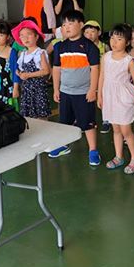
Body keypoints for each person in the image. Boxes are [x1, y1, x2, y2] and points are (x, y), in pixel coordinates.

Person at [48, 10, 101, 165]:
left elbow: (95, 69)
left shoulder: (89, 47)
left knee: (88, 123)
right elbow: (56, 69)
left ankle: (93, 150)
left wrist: (92, 90)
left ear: (81, 25)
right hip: (65, 92)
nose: (67, 27)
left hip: (84, 92)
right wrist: (56, 89)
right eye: (64, 24)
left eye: (71, 23)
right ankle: (64, 145)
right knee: (65, 121)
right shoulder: (60, 47)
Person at [98, 24, 134, 174]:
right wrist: (99, 95)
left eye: (119, 39)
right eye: (112, 38)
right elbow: (102, 76)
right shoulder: (106, 57)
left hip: (123, 97)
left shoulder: (129, 61)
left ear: (127, 42)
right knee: (116, 129)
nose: (114, 42)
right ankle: (119, 157)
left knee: (126, 130)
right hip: (109, 96)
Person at [13, 19, 51, 120]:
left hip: (38, 90)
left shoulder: (40, 53)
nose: (25, 38)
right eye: (22, 35)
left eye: (29, 34)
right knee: (28, 117)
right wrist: (19, 73)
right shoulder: (23, 54)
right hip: (26, 90)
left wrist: (28, 75)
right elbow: (21, 70)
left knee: (41, 117)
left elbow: (46, 71)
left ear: (36, 36)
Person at [83, 20, 111, 134]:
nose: (89, 35)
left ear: (99, 33)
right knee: (88, 100)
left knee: (103, 98)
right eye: (86, 32)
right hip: (88, 78)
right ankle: (89, 121)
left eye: (92, 32)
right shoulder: (83, 47)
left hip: (102, 77)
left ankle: (106, 120)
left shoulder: (104, 47)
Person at [0, 20, 20, 110]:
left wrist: (15, 88)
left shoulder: (11, 51)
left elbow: (15, 71)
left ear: (8, 36)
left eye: (1, 35)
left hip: (8, 87)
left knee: (9, 110)